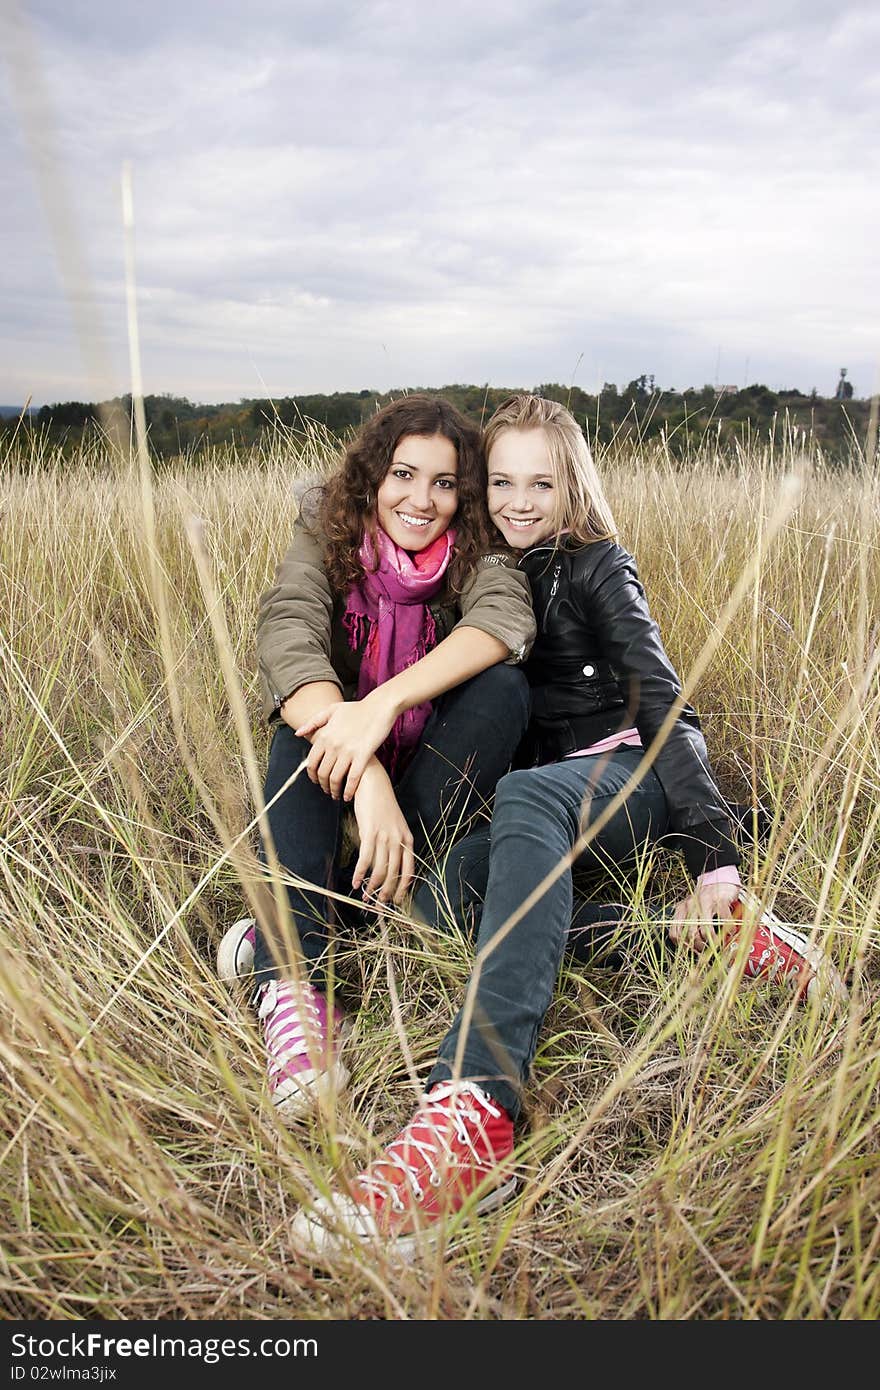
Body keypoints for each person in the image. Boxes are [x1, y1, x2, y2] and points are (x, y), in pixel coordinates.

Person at [289, 392, 846, 1259]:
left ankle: (477, 1109)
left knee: (527, 797)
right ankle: (682, 939)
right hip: (553, 796)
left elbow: (665, 706)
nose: (517, 500)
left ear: (571, 485)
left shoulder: (597, 565)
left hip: (628, 776)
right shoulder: (483, 568)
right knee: (441, 898)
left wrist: (716, 864)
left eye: (539, 483)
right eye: (502, 481)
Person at [217, 393, 536, 1123]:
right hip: (340, 779)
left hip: (427, 777)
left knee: (504, 688)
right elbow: (288, 625)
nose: (421, 499)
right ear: (372, 477)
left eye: (445, 482)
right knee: (297, 728)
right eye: (403, 474)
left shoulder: (476, 546)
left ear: (465, 494)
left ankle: (312, 920)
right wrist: (362, 770)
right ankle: (298, 992)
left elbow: (504, 619)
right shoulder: (325, 525)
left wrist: (382, 706)